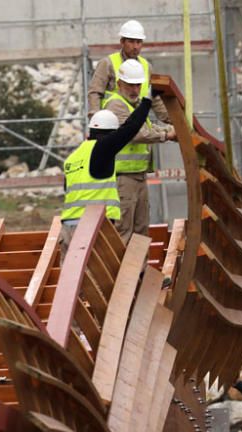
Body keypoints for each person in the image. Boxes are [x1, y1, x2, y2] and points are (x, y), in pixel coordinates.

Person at [60, 96, 152, 256]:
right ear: (111, 133)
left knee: (70, 278)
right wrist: (147, 102)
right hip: (93, 226)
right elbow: (130, 128)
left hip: (69, 227)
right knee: (100, 277)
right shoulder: (103, 148)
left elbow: (67, 189)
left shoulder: (74, 157)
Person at [101, 59, 176, 242]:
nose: (135, 90)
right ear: (119, 84)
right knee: (124, 231)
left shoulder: (134, 106)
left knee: (141, 232)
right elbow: (137, 133)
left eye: (137, 85)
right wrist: (167, 136)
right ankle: (121, 271)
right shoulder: (116, 105)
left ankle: (139, 271)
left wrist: (169, 131)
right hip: (123, 178)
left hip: (138, 176)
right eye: (130, 85)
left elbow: (149, 128)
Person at [88, 20, 170, 124]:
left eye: (139, 42)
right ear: (122, 42)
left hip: (138, 125)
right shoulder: (108, 63)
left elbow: (154, 99)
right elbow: (95, 93)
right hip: (114, 123)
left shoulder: (146, 67)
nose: (135, 46)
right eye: (131, 41)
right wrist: (96, 122)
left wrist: (172, 120)